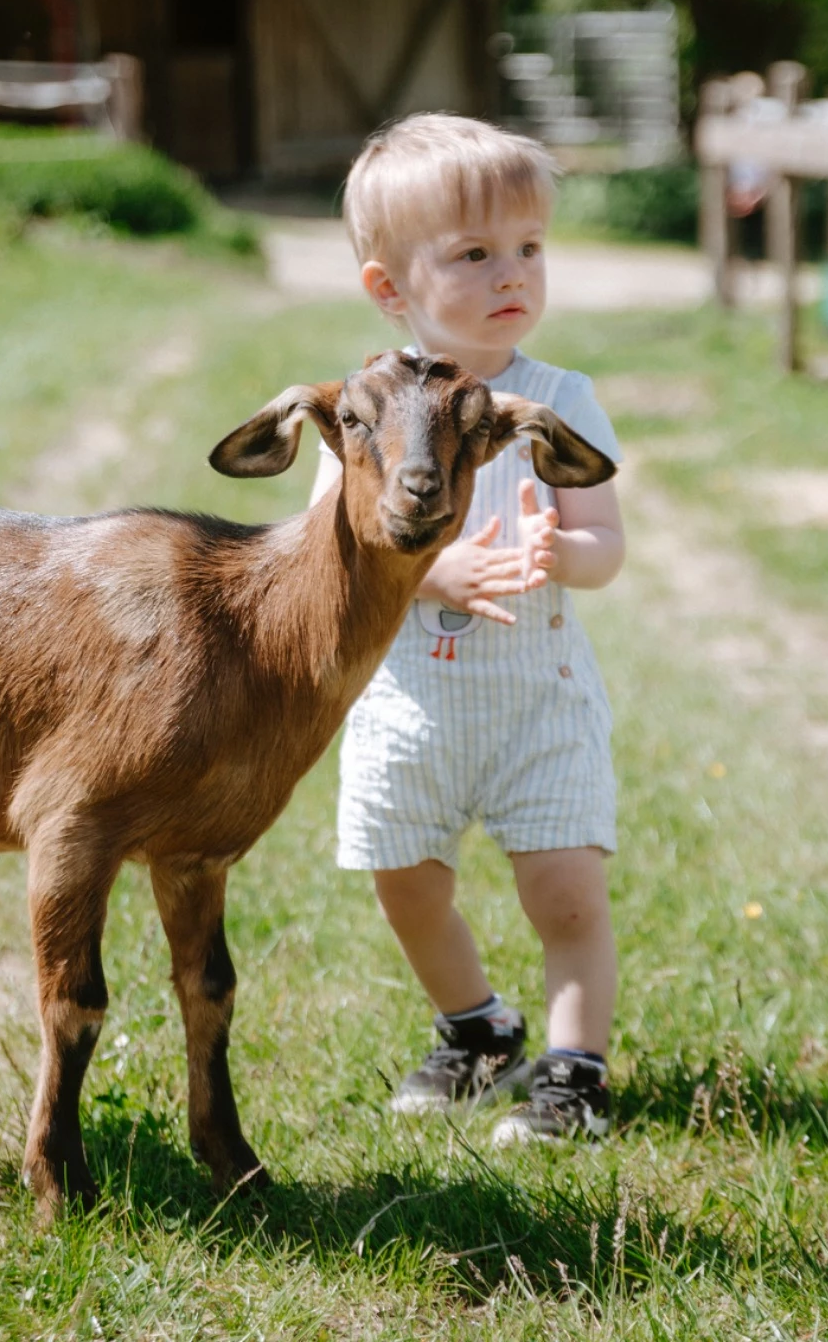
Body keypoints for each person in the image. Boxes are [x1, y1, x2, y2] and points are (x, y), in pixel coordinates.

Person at [309, 112, 626, 1142]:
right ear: (389, 287)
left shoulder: (557, 398)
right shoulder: (363, 409)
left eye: (529, 249)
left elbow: (603, 545)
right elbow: (331, 549)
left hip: (539, 697)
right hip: (407, 695)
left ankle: (571, 1074)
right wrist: (429, 568)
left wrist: (556, 556)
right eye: (476, 253)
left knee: (565, 891)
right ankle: (477, 1026)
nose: (513, 275)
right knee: (403, 881)